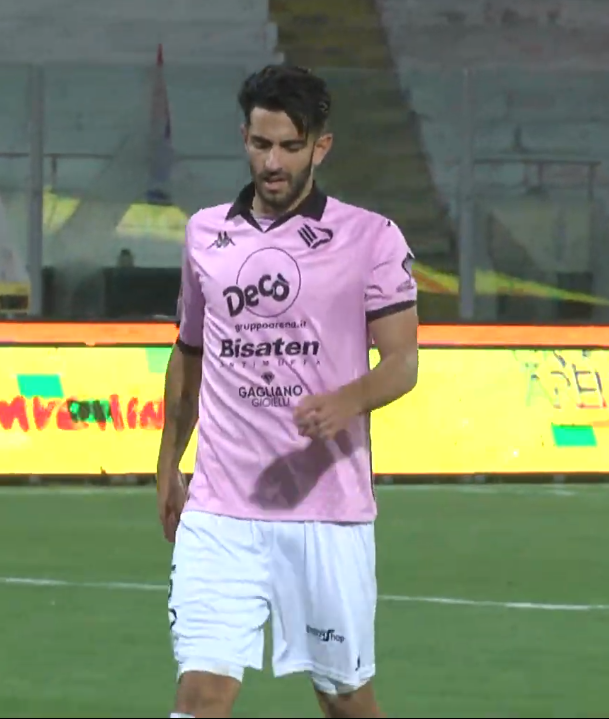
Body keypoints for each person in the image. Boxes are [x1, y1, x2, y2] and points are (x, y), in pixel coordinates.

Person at [154, 64, 420, 719]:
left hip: (326, 510)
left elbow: (403, 362)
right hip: (220, 510)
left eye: (289, 147)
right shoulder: (205, 234)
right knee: (201, 694)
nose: (272, 162)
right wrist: (167, 462)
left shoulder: (371, 237)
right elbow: (189, 353)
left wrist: (346, 401)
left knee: (345, 699)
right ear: (244, 138)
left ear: (319, 147)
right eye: (260, 144)